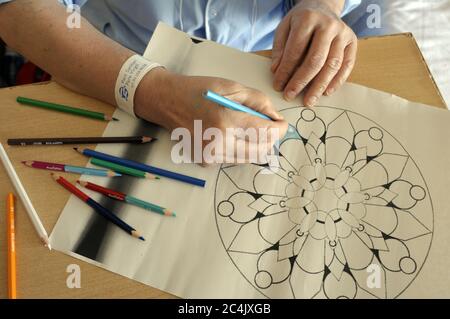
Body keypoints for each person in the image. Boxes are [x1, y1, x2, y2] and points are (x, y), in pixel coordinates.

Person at [0, 0, 360, 162]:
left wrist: (321, 5)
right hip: (105, 73)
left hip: (264, 74)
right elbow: (16, 8)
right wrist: (154, 92)